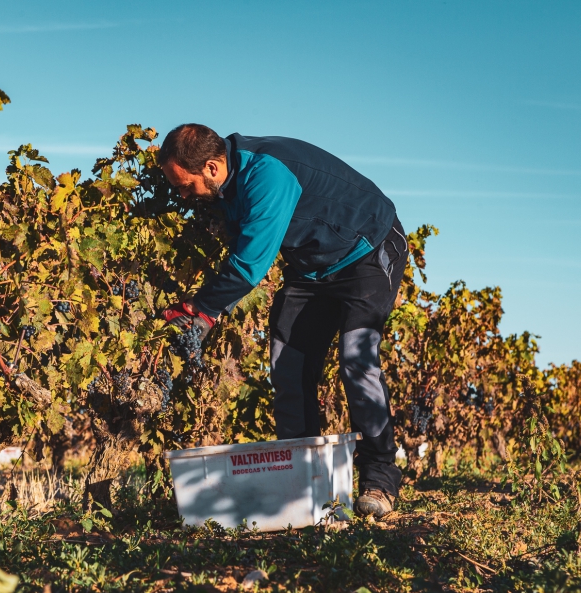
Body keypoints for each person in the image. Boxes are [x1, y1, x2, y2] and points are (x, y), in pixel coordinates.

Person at [158, 124, 408, 519]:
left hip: (369, 251)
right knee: (288, 364)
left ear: (211, 167)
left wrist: (201, 310)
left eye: (185, 186)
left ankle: (380, 478)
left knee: (357, 360)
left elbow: (248, 266)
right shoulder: (227, 186)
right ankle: (305, 485)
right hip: (312, 270)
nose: (183, 196)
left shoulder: (267, 174)